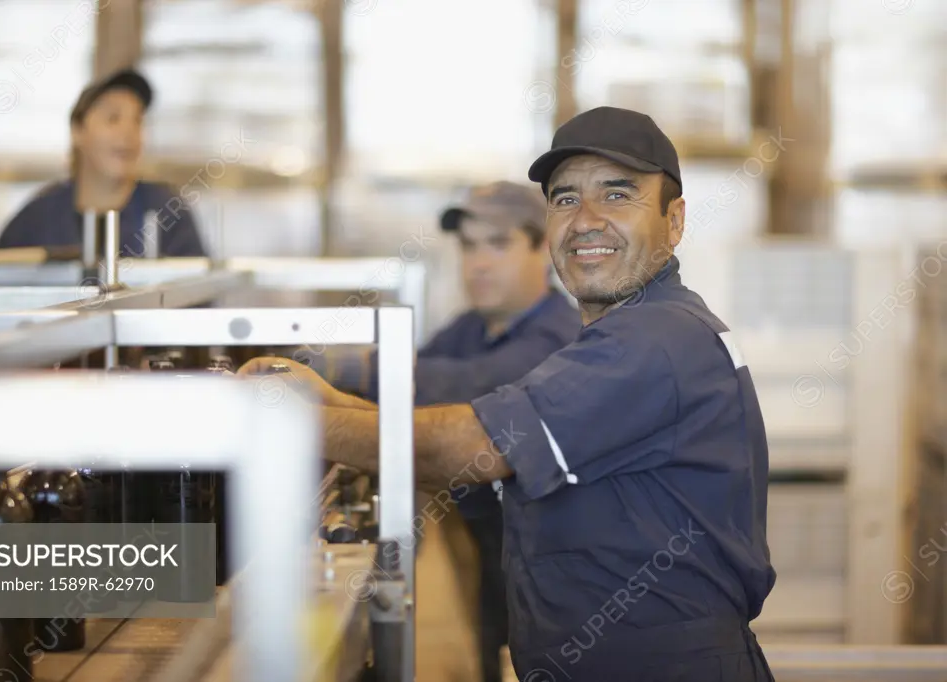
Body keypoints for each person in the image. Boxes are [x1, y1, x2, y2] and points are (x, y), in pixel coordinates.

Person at [240, 106, 777, 681]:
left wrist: (296, 419)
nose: (586, 219)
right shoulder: (634, 331)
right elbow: (443, 411)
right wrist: (324, 399)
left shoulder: (653, 339)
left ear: (674, 221)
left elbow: (466, 443)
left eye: (617, 195)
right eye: (566, 199)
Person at [291, 181, 580, 682]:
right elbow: (414, 382)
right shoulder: (473, 327)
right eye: (469, 246)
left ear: (544, 248)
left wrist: (326, 364)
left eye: (498, 243)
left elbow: (454, 383)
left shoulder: (558, 336)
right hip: (494, 550)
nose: (478, 263)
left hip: (553, 570)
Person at [0, 68, 206, 259]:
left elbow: (199, 293)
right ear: (77, 131)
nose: (128, 133)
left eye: (138, 121)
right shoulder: (36, 219)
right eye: (113, 118)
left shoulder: (168, 212)